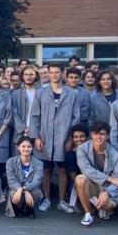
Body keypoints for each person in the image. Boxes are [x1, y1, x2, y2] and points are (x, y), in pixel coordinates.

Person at [30, 62, 79, 212]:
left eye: (57, 72)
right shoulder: (41, 93)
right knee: (45, 169)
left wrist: (71, 139)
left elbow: (76, 118)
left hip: (63, 137)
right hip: (44, 137)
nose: (54, 75)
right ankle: (46, 199)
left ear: (63, 74)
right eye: (51, 72)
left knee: (63, 169)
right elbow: (34, 116)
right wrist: (36, 137)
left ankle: (62, 200)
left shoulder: (72, 94)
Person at [74, 123, 118, 226]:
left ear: (108, 136)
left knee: (107, 205)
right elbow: (86, 169)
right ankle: (88, 213)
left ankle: (100, 207)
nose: (99, 137)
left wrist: (108, 193)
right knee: (80, 179)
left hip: (107, 188)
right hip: (92, 186)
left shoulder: (115, 155)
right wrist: (109, 178)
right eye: (95, 134)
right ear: (91, 135)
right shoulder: (82, 149)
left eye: (102, 134)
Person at [5, 136, 45, 218]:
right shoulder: (10, 162)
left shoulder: (39, 163)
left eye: (29, 146)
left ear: (32, 148)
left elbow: (37, 181)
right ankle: (17, 209)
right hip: (16, 190)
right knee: (13, 193)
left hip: (31, 190)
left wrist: (24, 189)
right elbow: (11, 180)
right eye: (23, 146)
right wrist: (21, 189)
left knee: (36, 192)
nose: (26, 149)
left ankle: (29, 209)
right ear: (18, 147)